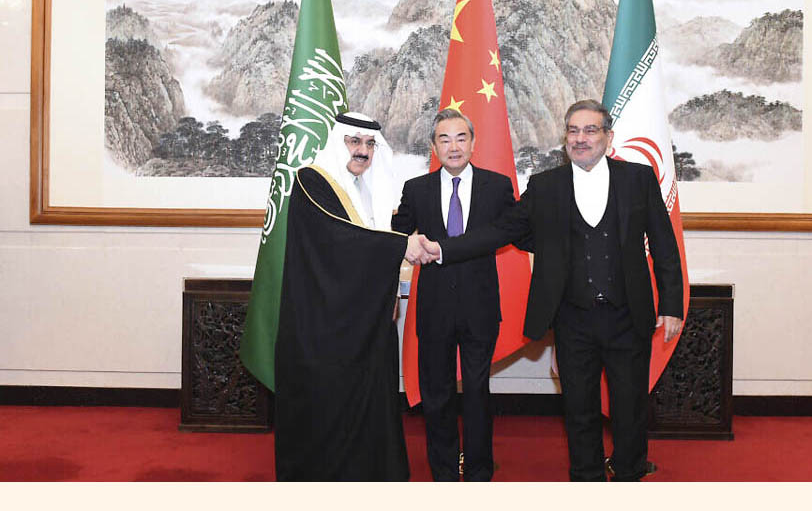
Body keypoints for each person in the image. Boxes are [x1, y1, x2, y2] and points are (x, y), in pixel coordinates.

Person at [420, 99, 684, 481]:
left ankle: (628, 474)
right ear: (565, 139)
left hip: (629, 315)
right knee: (579, 409)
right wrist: (446, 248)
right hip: (572, 317)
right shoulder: (545, 186)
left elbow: (664, 244)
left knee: (629, 408)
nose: (581, 139)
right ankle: (586, 479)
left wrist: (672, 303)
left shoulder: (638, 179)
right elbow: (504, 230)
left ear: (608, 138)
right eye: (573, 131)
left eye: (590, 130)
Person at [275, 111, 423, 481]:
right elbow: (339, 240)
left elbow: (366, 248)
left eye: (370, 144)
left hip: (366, 325)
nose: (363, 151)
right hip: (324, 328)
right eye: (354, 141)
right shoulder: (312, 180)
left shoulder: (370, 191)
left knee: (372, 406)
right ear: (337, 142)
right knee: (329, 412)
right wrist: (400, 245)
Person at [392, 109, 518, 481]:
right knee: (438, 394)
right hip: (434, 309)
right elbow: (397, 236)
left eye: (461, 137)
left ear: (473, 143)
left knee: (478, 392)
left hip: (480, 307)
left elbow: (514, 229)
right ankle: (444, 473)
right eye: (444, 139)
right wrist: (406, 242)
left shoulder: (497, 186)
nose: (453, 146)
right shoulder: (416, 189)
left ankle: (479, 472)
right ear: (434, 147)